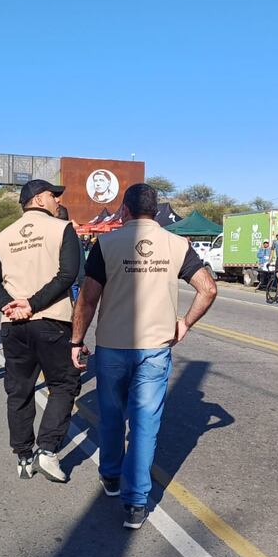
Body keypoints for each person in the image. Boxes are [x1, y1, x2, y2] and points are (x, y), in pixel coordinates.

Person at [71, 183, 218, 529]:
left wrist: (76, 340)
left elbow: (88, 299)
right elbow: (208, 289)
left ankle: (110, 476)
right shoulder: (177, 244)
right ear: (156, 211)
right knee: (145, 424)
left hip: (112, 346)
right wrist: (184, 324)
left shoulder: (105, 244)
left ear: (124, 210)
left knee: (110, 414)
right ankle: (136, 503)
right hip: (155, 348)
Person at [0, 179, 81, 483]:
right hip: (51, 321)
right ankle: (47, 449)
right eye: (53, 196)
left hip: (14, 326)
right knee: (64, 383)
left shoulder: (3, 236)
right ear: (38, 199)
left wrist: (10, 305)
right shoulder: (62, 229)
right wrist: (33, 304)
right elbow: (69, 274)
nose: (57, 202)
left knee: (19, 389)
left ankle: (23, 455)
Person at [56, 205, 86, 301]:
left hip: (62, 284)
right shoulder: (74, 237)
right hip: (74, 280)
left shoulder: (53, 237)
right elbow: (82, 261)